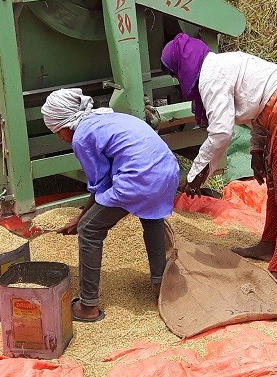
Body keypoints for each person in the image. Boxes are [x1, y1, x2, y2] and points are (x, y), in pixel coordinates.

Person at [160, 33, 277, 283]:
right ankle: (268, 246)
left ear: (182, 65)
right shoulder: (215, 68)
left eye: (173, 72)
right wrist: (256, 151)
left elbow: (221, 133)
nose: (176, 80)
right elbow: (258, 106)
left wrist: (196, 174)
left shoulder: (212, 76)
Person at [40, 88, 179, 321]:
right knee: (152, 218)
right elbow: (103, 184)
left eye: (57, 131)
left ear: (65, 123)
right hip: (166, 173)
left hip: (139, 178)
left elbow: (99, 183)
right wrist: (81, 216)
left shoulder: (82, 137)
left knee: (90, 231)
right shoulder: (106, 118)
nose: (59, 137)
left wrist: (83, 221)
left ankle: (88, 307)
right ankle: (161, 289)